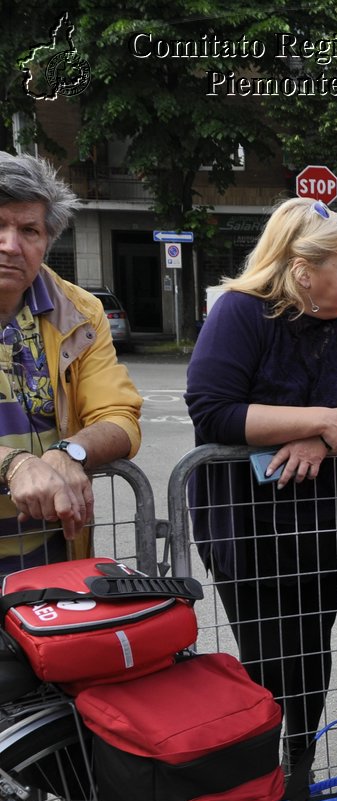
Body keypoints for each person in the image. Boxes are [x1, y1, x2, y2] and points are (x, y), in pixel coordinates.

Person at [186, 197, 337, 774]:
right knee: (268, 660)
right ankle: (263, 781)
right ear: (301, 272)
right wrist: (319, 419)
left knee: (312, 655)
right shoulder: (241, 312)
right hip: (248, 525)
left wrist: (332, 438)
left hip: (328, 524)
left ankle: (299, 769)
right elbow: (212, 410)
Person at [0, 152, 142, 573]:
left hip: (50, 559)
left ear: (48, 239)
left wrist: (71, 452)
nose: (10, 245)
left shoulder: (78, 311)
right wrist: (14, 464)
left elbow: (120, 417)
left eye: (29, 229)